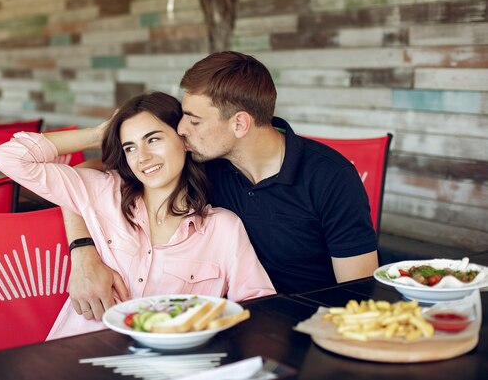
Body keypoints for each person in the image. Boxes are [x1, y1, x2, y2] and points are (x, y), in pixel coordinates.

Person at [63, 51, 379, 320]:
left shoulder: (330, 177)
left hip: (315, 325)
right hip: (232, 323)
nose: (181, 130)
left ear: (239, 123)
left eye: (194, 120)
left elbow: (359, 295)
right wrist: (83, 253)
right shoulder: (204, 163)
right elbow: (79, 178)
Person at [0, 91, 275, 339]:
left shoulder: (222, 228)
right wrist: (98, 133)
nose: (142, 157)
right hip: (77, 356)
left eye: (153, 140)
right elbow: (9, 157)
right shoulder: (102, 192)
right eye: (130, 147)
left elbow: (260, 308)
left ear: (185, 140)